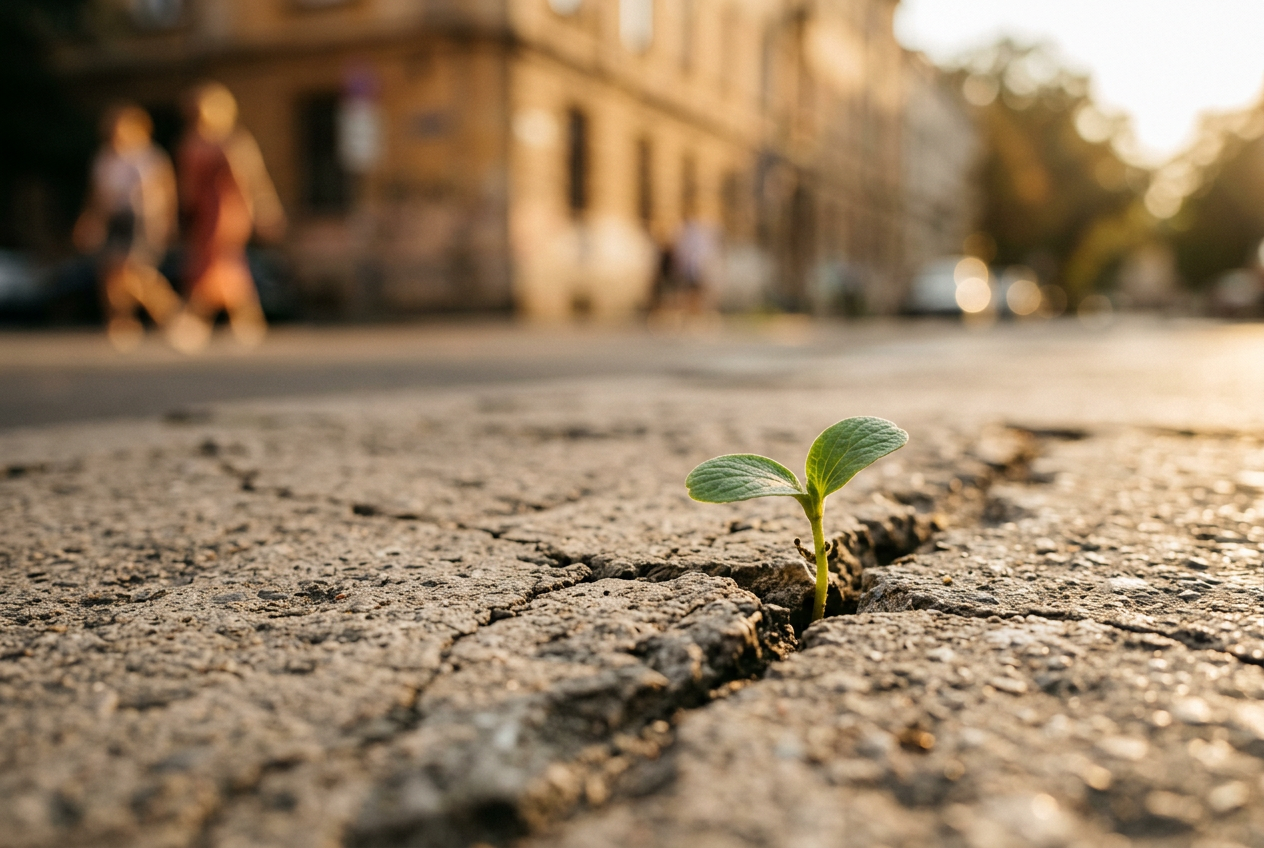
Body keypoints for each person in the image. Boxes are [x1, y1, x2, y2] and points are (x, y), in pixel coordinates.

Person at [168, 82, 285, 353]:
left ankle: (194, 318)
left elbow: (250, 180)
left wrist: (264, 210)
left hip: (228, 210)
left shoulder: (232, 141)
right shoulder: (192, 141)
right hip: (205, 211)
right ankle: (247, 320)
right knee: (226, 265)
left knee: (213, 261)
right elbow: (186, 185)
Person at [74, 104, 181, 350]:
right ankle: (121, 322)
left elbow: (167, 192)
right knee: (110, 274)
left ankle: (170, 312)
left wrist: (168, 223)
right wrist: (90, 221)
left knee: (136, 271)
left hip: (142, 218)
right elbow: (97, 196)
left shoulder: (150, 157)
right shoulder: (104, 159)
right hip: (114, 218)